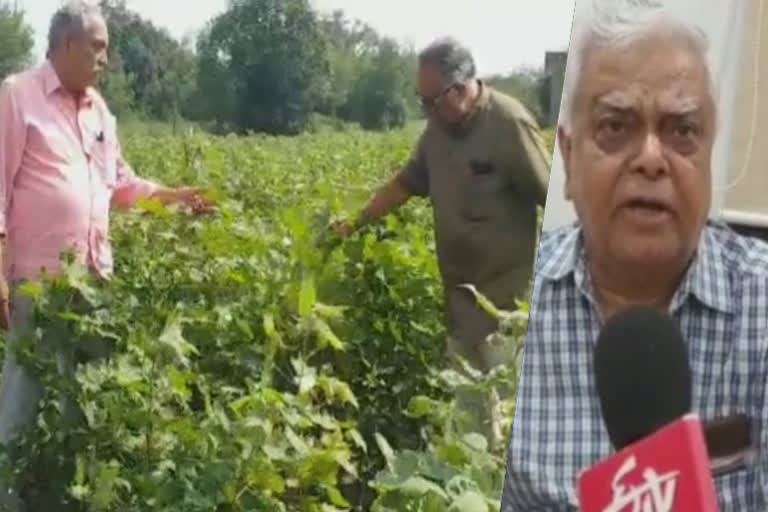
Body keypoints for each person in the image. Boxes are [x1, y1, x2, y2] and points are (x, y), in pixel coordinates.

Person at [502, 4, 768, 511]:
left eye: (681, 130)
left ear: (709, 153)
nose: (650, 157)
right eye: (616, 127)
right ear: (569, 156)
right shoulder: (510, 309)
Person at [0, 2, 214, 509]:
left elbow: (120, 185)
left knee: (87, 399)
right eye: (98, 47)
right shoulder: (16, 96)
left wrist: (173, 198)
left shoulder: (99, 111)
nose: (105, 59)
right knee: (21, 399)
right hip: (41, 283)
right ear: (67, 44)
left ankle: (74, 495)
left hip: (94, 282)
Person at [335, 37, 550, 443]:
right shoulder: (436, 132)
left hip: (507, 309)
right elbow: (406, 183)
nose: (427, 112)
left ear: (461, 88)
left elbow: (555, 200)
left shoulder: (508, 124)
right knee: (470, 426)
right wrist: (354, 222)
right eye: (422, 102)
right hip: (460, 305)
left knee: (505, 424)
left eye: (432, 101)